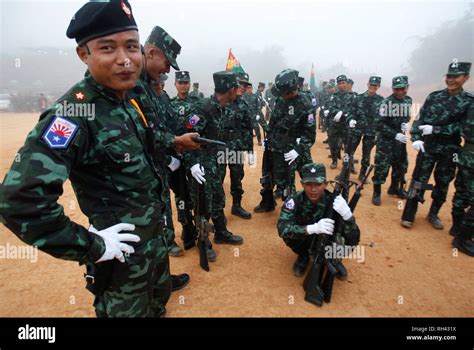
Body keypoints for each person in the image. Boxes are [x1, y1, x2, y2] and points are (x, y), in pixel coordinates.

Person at [0, 0, 199, 317]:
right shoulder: (73, 113)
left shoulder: (127, 99)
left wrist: (174, 143)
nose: (124, 60)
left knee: (158, 307)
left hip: (154, 250)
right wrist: (91, 245)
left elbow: (147, 145)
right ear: (84, 53)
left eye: (131, 47)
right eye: (108, 48)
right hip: (121, 262)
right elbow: (19, 201)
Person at [402, 62, 472, 230]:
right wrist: (416, 138)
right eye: (449, 76)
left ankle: (433, 213)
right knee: (418, 180)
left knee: (443, 182)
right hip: (428, 148)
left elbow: (465, 127)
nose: (451, 80)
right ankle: (409, 213)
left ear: (466, 78)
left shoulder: (469, 102)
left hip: (450, 151)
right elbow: (420, 118)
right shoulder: (434, 96)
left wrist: (436, 129)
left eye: (456, 77)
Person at [185, 71, 244, 261]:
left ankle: (220, 232)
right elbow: (188, 138)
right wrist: (193, 164)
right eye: (236, 87)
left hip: (215, 164)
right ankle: (203, 241)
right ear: (230, 89)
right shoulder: (203, 109)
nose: (239, 91)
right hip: (201, 166)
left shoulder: (222, 108)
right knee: (203, 204)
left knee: (218, 198)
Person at [277, 163, 360, 277]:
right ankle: (304, 256)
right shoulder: (294, 200)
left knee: (344, 241)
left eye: (318, 184)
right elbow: (282, 229)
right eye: (308, 184)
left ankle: (333, 260)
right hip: (305, 239)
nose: (313, 189)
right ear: (302, 184)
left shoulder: (335, 202)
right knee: (289, 235)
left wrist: (348, 217)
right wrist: (311, 228)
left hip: (328, 241)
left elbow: (354, 239)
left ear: (325, 184)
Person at [265, 69, 315, 199]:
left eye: (284, 94)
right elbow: (274, 120)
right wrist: (269, 138)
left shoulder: (306, 105)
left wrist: (298, 150)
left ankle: (308, 207)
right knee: (281, 178)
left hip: (297, 148)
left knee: (309, 178)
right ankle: (280, 196)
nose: (281, 96)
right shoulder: (281, 100)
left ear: (291, 91)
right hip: (280, 146)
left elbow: (310, 135)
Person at [217, 72, 254, 219]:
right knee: (218, 178)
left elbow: (247, 129)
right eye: (240, 84)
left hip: (236, 147)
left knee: (237, 177)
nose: (243, 88)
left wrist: (250, 151)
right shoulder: (221, 100)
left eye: (245, 85)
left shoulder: (243, 105)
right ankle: (218, 211)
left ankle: (237, 206)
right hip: (219, 146)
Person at [372, 76, 412, 206]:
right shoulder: (385, 103)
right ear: (393, 89)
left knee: (401, 165)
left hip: (400, 141)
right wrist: (394, 134)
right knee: (382, 167)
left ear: (407, 88)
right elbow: (378, 124)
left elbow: (407, 116)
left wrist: (405, 123)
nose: (400, 92)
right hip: (386, 141)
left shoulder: (408, 101)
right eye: (397, 89)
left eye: (403, 89)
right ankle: (376, 192)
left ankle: (395, 188)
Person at [348, 76, 384, 181]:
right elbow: (351, 112)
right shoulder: (358, 98)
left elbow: (383, 117)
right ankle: (345, 171)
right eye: (371, 85)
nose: (373, 87)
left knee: (367, 154)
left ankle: (363, 173)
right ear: (367, 84)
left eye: (375, 85)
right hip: (357, 129)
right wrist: (351, 119)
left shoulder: (381, 101)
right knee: (349, 151)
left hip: (371, 131)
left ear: (378, 86)